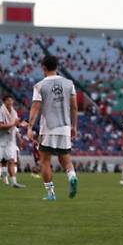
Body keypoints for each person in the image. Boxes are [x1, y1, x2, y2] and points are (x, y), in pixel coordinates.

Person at [27, 56, 78, 201]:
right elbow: (74, 107)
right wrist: (74, 126)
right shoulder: (69, 83)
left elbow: (35, 107)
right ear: (57, 66)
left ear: (43, 67)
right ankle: (72, 176)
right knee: (66, 159)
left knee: (45, 161)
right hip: (65, 127)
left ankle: (50, 193)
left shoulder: (39, 85)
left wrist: (30, 127)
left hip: (48, 128)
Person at [0, 95, 26, 188]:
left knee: (11, 160)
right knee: (2, 161)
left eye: (12, 100)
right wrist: (13, 124)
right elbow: (1, 126)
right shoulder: (1, 111)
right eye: (8, 100)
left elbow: (15, 126)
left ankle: (14, 182)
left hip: (10, 140)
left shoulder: (14, 112)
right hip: (1, 140)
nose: (11, 102)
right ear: (4, 101)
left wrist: (21, 125)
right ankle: (4, 178)